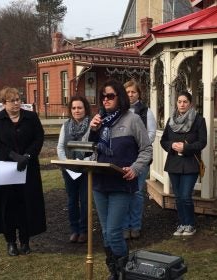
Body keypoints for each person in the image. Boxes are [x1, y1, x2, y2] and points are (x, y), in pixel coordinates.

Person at [89, 79, 152, 279]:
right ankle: (115, 272)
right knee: (106, 233)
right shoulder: (99, 121)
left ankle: (124, 272)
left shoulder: (132, 119)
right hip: (99, 183)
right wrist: (92, 131)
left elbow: (146, 149)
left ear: (120, 97)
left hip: (121, 183)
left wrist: (135, 168)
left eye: (110, 96)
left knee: (114, 232)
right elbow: (85, 150)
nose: (105, 100)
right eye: (103, 96)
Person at [0, 87, 46, 256]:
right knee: (8, 206)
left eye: (18, 99)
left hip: (28, 168)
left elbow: (38, 137)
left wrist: (27, 155)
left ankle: (25, 241)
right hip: (6, 169)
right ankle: (11, 242)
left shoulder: (31, 117)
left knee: (26, 204)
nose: (17, 103)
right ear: (4, 103)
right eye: (12, 100)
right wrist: (13, 156)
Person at [160, 91, 207, 236]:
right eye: (179, 101)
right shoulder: (171, 120)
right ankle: (181, 223)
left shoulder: (198, 120)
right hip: (174, 162)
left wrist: (186, 147)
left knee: (186, 196)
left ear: (190, 104)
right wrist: (172, 145)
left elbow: (202, 142)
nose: (182, 104)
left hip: (190, 163)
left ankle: (190, 224)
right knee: (178, 197)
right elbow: (163, 140)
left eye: (185, 101)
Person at [122, 79, 156, 240]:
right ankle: (124, 225)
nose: (130, 95)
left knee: (136, 193)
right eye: (127, 92)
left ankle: (135, 225)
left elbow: (151, 134)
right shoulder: (119, 111)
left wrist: (138, 148)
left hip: (140, 159)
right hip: (122, 159)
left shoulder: (145, 111)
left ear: (138, 94)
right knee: (122, 193)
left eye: (133, 92)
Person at [57, 96, 91, 244]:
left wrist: (84, 162)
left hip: (86, 169)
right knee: (72, 201)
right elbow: (60, 147)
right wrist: (67, 163)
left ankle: (84, 230)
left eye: (80, 108)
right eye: (74, 108)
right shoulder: (65, 126)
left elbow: (95, 148)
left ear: (85, 109)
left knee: (85, 201)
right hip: (69, 170)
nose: (77, 110)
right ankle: (74, 230)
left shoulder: (92, 125)